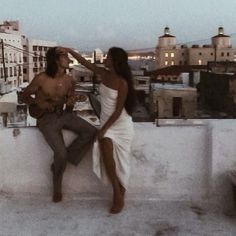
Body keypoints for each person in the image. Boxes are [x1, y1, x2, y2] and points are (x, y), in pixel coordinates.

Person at [57, 46, 135, 213]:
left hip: (120, 125)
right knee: (106, 149)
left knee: (121, 160)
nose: (105, 58)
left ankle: (119, 193)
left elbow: (118, 110)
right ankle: (117, 191)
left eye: (108, 56)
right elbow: (84, 62)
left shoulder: (123, 82)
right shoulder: (104, 73)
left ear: (114, 61)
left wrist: (103, 129)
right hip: (107, 122)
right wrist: (70, 51)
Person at [19, 47, 96, 203]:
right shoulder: (41, 78)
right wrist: (38, 102)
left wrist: (71, 103)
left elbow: (69, 107)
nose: (68, 59)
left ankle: (64, 160)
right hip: (46, 119)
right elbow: (24, 96)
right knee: (60, 153)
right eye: (65, 57)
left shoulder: (69, 80)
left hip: (64, 115)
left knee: (90, 131)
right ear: (56, 60)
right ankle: (57, 187)